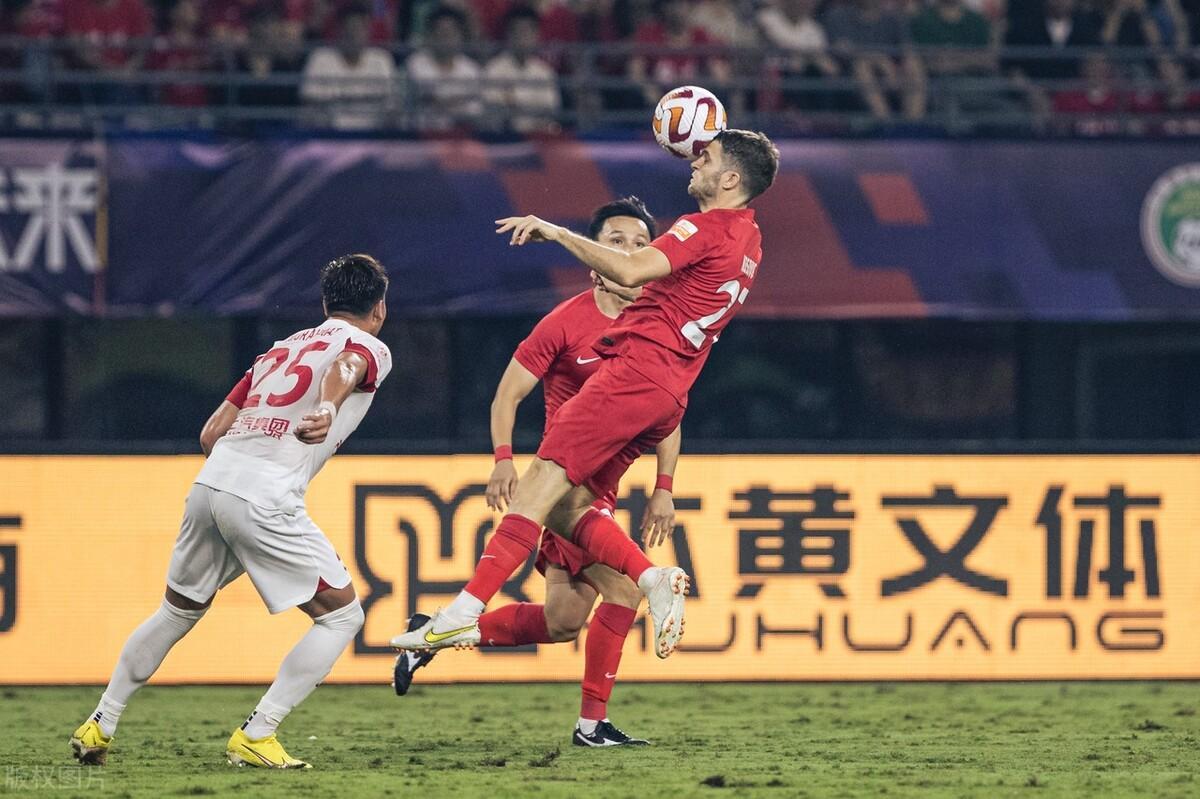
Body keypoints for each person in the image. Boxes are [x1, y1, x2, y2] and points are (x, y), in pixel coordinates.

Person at [391, 129, 779, 663]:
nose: (694, 161)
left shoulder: (702, 226)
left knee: (535, 491)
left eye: (706, 157)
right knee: (566, 510)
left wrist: (554, 231)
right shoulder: (750, 239)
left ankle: (461, 613)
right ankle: (649, 578)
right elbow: (656, 285)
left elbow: (632, 270)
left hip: (633, 375)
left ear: (731, 179)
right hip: (669, 391)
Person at [70, 254, 393, 770]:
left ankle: (100, 722)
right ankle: (258, 733)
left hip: (211, 484)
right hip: (264, 496)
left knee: (175, 612)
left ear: (324, 303)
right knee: (342, 616)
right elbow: (347, 365)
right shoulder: (370, 345)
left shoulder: (278, 350)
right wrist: (327, 407)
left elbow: (210, 434)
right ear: (378, 308)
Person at [393, 198, 681, 747]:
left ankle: (431, 633)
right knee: (624, 592)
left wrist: (664, 487)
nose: (630, 252)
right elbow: (508, 393)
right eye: (616, 242)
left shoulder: (656, 325)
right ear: (594, 257)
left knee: (562, 622)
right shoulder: (566, 322)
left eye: (640, 244)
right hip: (566, 481)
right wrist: (503, 458)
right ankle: (592, 723)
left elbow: (668, 411)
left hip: (606, 486)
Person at [300, 2, 398, 129]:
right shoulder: (320, 59)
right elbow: (310, 103)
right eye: (349, 28)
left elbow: (392, 107)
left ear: (368, 30)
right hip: (328, 135)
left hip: (373, 135)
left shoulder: (381, 59)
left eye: (359, 28)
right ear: (339, 30)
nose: (354, 35)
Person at [483, 6, 561, 132]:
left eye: (527, 31)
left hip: (538, 136)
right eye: (517, 31)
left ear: (536, 35)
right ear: (508, 34)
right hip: (505, 137)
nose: (522, 37)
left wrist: (514, 104)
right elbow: (494, 110)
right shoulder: (493, 69)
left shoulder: (545, 72)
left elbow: (549, 111)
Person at [405, 5, 484, 130]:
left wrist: (441, 103)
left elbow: (473, 109)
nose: (446, 38)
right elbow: (426, 99)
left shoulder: (471, 69)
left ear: (461, 36)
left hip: (462, 133)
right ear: (430, 35)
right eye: (441, 32)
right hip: (423, 133)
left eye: (451, 33)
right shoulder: (415, 63)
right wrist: (458, 101)